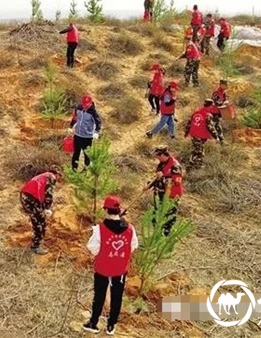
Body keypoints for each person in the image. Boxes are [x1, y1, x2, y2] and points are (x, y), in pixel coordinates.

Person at [83, 196, 138, 335]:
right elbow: (133, 246)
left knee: (99, 295)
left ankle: (93, 323)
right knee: (117, 297)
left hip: (102, 269)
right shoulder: (130, 229)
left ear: (106, 210)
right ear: (119, 210)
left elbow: (93, 248)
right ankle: (111, 325)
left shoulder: (99, 229)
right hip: (120, 271)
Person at [19, 166, 62, 255]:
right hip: (30, 199)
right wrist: (47, 208)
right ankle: (35, 246)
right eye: (59, 176)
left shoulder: (44, 176)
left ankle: (37, 239)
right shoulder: (51, 177)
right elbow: (48, 194)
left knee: (38, 220)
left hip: (27, 197)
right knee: (41, 223)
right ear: (56, 174)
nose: (58, 178)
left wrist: (44, 207)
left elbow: (41, 193)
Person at [142, 146, 183, 236]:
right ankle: (156, 236)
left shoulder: (175, 166)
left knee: (169, 216)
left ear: (163, 154)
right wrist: (149, 186)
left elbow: (176, 181)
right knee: (156, 215)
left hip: (171, 196)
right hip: (160, 194)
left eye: (158, 155)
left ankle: (165, 236)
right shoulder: (161, 164)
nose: (156, 157)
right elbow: (157, 178)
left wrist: (163, 177)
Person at [68, 94, 102, 171]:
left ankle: (86, 171)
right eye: (84, 104)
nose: (85, 106)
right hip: (77, 135)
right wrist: (71, 126)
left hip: (87, 137)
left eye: (87, 105)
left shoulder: (93, 112)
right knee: (76, 154)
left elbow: (98, 123)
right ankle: (74, 170)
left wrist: (96, 132)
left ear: (90, 103)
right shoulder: (79, 108)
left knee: (87, 155)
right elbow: (75, 118)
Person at [184, 99, 221, 167]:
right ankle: (198, 166)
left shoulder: (196, 112)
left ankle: (192, 162)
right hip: (200, 135)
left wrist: (186, 133)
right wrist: (216, 137)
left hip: (194, 134)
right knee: (199, 151)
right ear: (210, 106)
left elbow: (189, 124)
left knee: (196, 148)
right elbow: (210, 127)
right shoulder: (208, 115)